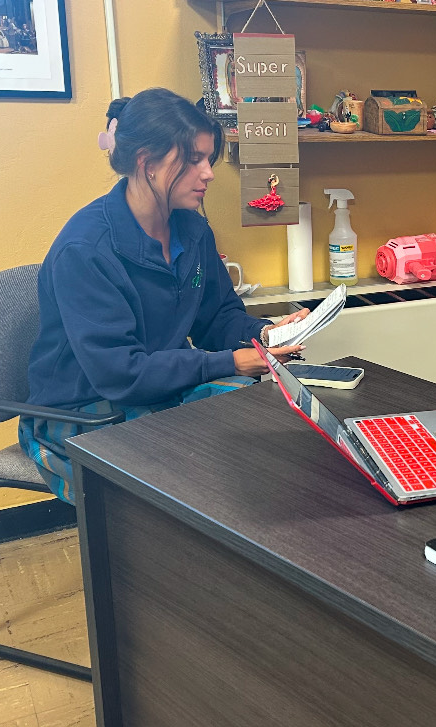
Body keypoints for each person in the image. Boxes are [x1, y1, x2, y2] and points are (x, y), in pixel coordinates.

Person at [19, 88, 309, 502]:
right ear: (147, 162)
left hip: (159, 392)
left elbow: (217, 319)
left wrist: (264, 335)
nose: (208, 173)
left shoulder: (192, 231)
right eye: (193, 160)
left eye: (208, 159)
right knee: (202, 470)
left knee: (275, 424)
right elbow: (122, 374)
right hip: (83, 410)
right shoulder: (85, 250)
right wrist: (230, 362)